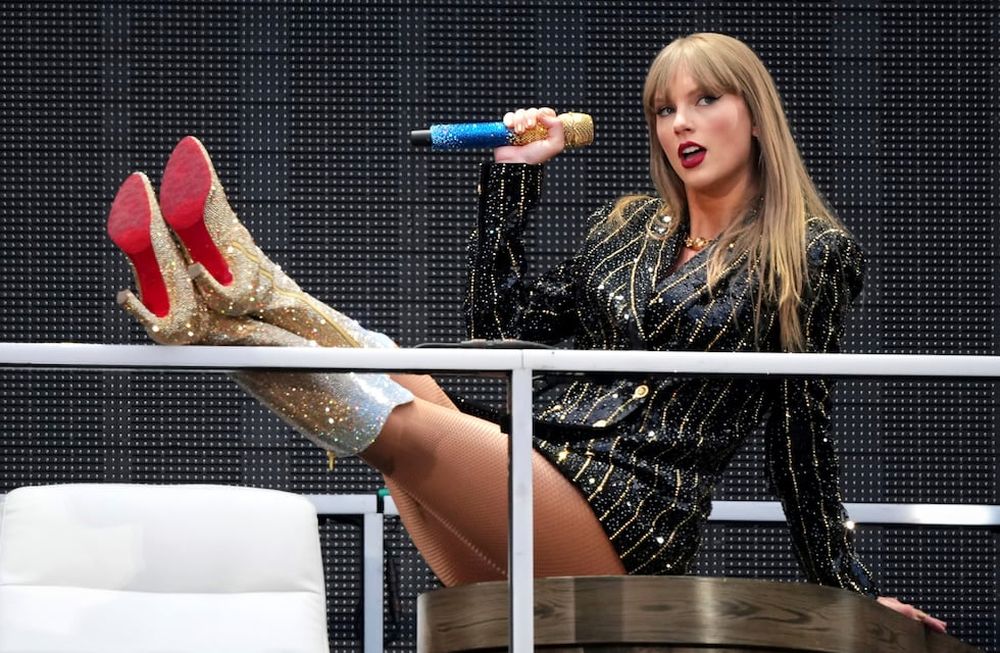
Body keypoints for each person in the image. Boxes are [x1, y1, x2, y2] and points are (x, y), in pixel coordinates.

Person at [107, 32, 944, 631]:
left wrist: (850, 586)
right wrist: (512, 184)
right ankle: (228, 295)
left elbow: (803, 435)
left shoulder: (810, 255)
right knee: (414, 379)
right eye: (663, 109)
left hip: (630, 510)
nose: (680, 123)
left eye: (705, 100)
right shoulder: (625, 227)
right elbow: (500, 327)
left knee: (398, 423)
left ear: (754, 115)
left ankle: (223, 307)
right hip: (540, 454)